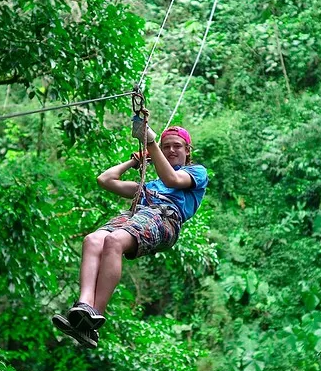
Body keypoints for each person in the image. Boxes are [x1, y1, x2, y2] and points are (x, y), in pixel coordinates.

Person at [52, 120, 208, 348]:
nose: (171, 150)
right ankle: (84, 305)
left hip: (165, 218)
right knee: (93, 240)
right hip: (139, 214)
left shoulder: (196, 172)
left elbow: (172, 180)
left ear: (187, 151)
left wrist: (152, 141)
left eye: (177, 146)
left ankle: (94, 316)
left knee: (114, 241)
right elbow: (105, 180)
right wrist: (134, 161)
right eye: (166, 147)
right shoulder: (148, 185)